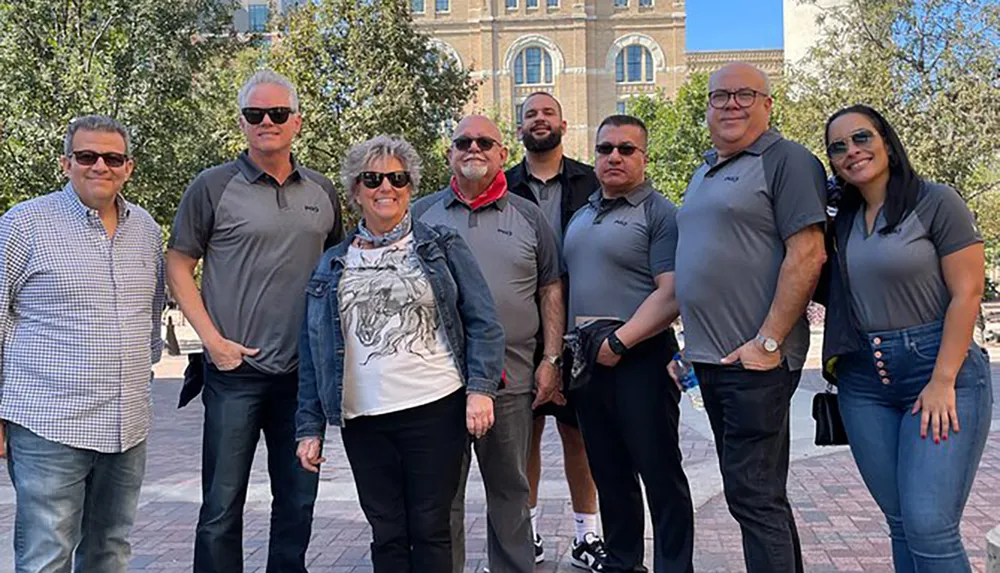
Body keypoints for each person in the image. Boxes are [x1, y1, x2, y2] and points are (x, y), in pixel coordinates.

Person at [295, 135, 505, 573]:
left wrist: (481, 390)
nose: (385, 187)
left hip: (435, 407)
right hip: (364, 419)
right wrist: (308, 426)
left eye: (397, 178)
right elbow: (313, 351)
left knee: (431, 527)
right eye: (372, 178)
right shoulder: (332, 263)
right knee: (386, 531)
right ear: (356, 190)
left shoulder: (441, 246)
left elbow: (484, 320)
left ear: (410, 187)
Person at [167, 70, 343, 573]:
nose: (267, 122)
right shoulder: (212, 186)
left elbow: (336, 271)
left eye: (278, 113)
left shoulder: (323, 192)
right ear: (242, 123)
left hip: (302, 379)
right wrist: (211, 341)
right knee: (221, 508)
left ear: (297, 123)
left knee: (298, 503)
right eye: (255, 114)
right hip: (233, 372)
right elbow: (178, 262)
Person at [820, 104, 992, 573]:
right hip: (864, 383)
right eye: (838, 147)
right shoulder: (843, 220)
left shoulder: (936, 201)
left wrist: (942, 380)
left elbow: (968, 292)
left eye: (861, 138)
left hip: (936, 369)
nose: (851, 152)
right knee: (899, 522)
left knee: (929, 525)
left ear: (887, 142)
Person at [672, 62, 827, 573]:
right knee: (754, 496)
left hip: (753, 362)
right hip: (712, 361)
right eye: (721, 96)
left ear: (768, 105)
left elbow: (807, 254)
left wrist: (768, 342)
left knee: (754, 497)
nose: (732, 104)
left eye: (745, 94)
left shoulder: (787, 160)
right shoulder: (705, 169)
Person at [0, 115, 165, 572]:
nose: (100, 167)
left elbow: (151, 316)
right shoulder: (23, 225)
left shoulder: (147, 231)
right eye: (87, 156)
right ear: (66, 163)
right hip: (48, 426)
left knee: (109, 552)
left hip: (126, 427)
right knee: (45, 557)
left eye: (112, 158)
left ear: (128, 167)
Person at [413, 115, 563, 573]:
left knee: (510, 494)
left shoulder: (529, 216)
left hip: (511, 380)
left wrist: (551, 359)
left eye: (485, 142)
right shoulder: (419, 214)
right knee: (441, 498)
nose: (473, 148)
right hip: (436, 382)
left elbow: (550, 289)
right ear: (449, 154)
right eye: (463, 141)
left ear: (503, 154)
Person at [562, 114, 693, 573]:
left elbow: (672, 292)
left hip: (639, 358)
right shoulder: (580, 217)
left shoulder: (661, 213)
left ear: (644, 156)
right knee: (610, 474)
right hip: (588, 363)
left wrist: (619, 343)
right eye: (604, 149)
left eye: (626, 149)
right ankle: (621, 563)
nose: (613, 156)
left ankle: (674, 567)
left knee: (660, 474)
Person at [505, 91, 607, 570]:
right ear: (519, 128)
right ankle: (526, 536)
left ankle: (588, 536)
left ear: (564, 125)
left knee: (579, 437)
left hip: (580, 332)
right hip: (518, 332)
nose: (539, 120)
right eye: (530, 115)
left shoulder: (594, 180)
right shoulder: (501, 187)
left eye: (548, 113)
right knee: (522, 437)